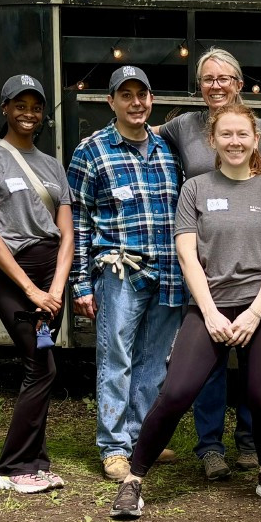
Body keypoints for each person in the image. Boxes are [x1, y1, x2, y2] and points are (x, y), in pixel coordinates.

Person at [112, 103, 261, 518]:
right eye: (226, 134)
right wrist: (211, 313)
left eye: (242, 134)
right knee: (176, 392)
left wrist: (254, 313)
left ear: (256, 140)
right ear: (212, 140)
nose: (235, 142)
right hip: (210, 303)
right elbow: (187, 254)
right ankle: (133, 481)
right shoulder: (195, 189)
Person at [155, 48, 261, 480]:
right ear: (200, 85)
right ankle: (210, 446)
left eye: (224, 78)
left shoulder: (260, 129)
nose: (216, 85)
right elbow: (143, 132)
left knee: (255, 365)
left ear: (239, 83)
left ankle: (249, 442)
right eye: (208, 78)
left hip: (251, 265)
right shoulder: (182, 126)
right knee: (207, 367)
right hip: (206, 268)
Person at [67, 65, 183, 481]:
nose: (136, 103)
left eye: (142, 94)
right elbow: (77, 222)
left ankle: (139, 438)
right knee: (116, 359)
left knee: (154, 362)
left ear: (151, 99)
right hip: (119, 274)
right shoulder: (91, 151)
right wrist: (80, 283)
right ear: (111, 101)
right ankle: (114, 447)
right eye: (126, 95)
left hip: (168, 271)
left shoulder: (168, 150)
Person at [0, 74, 73, 494]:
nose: (29, 113)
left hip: (52, 276)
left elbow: (67, 233)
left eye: (36, 107)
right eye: (20, 105)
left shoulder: (52, 165)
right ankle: (11, 467)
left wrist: (57, 288)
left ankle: (35, 461)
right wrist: (32, 290)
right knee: (40, 366)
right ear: (6, 108)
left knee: (42, 364)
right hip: (16, 275)